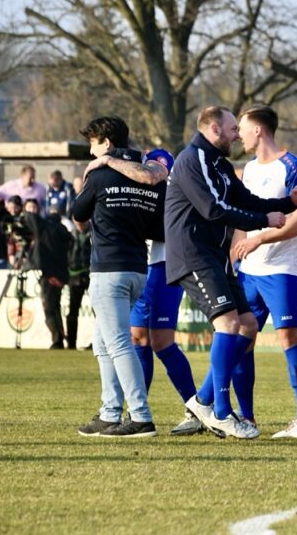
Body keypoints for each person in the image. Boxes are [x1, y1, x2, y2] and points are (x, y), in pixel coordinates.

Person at [165, 106, 297, 440]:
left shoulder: (220, 164)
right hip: (193, 255)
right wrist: (262, 223)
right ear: (214, 128)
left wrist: (288, 203)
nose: (237, 134)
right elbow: (214, 209)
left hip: (214, 256)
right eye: (232, 129)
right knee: (228, 324)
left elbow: (246, 199)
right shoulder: (193, 158)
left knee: (249, 326)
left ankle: (202, 402)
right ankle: (220, 412)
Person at [95, 149, 200, 435]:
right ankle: (136, 411)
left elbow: (167, 228)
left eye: (160, 169)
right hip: (146, 265)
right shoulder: (138, 185)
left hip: (165, 266)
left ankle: (196, 408)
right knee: (138, 337)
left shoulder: (169, 187)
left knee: (162, 341)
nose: (154, 173)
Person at [72, 116, 164, 438]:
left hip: (108, 271)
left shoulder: (99, 175)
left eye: (93, 144)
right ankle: (110, 412)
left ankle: (140, 417)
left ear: (106, 143)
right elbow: (158, 227)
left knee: (119, 343)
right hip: (139, 269)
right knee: (103, 342)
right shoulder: (150, 175)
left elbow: (78, 214)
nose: (91, 152)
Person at [230, 105, 297, 438]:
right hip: (248, 271)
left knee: (288, 337)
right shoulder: (247, 170)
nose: (238, 134)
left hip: (282, 269)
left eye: (242, 127)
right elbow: (243, 218)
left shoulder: (293, 167)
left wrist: (262, 238)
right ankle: (246, 418)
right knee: (240, 337)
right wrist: (234, 254)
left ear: (259, 130)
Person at [22, 201, 72, 349]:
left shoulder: (44, 227)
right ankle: (61, 337)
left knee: (49, 308)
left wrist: (26, 213)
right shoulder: (63, 230)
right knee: (55, 307)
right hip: (61, 274)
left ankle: (57, 340)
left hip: (49, 274)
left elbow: (30, 218)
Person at [66, 220, 91, 350]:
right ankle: (71, 343)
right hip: (75, 276)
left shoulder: (94, 234)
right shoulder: (70, 236)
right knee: (72, 312)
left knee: (99, 312)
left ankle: (98, 343)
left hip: (91, 275)